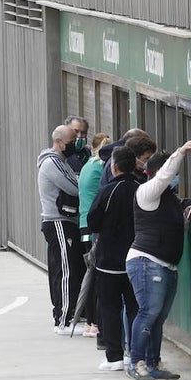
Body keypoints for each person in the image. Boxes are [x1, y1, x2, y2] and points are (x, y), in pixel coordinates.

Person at [126, 142, 191, 380]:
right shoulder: (147, 192)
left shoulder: (169, 197)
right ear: (159, 173)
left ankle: (152, 363)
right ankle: (136, 363)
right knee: (148, 313)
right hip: (147, 262)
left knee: (157, 318)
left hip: (166, 265)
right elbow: (165, 175)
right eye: (173, 174)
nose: (175, 178)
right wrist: (180, 154)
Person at [87, 145, 142, 371]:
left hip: (109, 259)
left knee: (109, 307)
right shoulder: (142, 189)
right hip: (137, 257)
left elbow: (93, 221)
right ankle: (134, 352)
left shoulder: (107, 191)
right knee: (134, 308)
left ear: (114, 167)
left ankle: (114, 356)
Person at [37, 124, 85, 334]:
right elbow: (75, 188)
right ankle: (63, 320)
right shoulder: (52, 163)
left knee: (65, 269)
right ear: (58, 142)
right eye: (71, 142)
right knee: (65, 271)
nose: (74, 146)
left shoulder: (61, 162)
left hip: (64, 223)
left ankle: (65, 315)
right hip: (57, 222)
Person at [76, 132, 111, 338]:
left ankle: (90, 321)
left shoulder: (88, 164)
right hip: (94, 226)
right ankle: (95, 321)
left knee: (90, 274)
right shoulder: (100, 167)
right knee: (96, 275)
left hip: (84, 224)